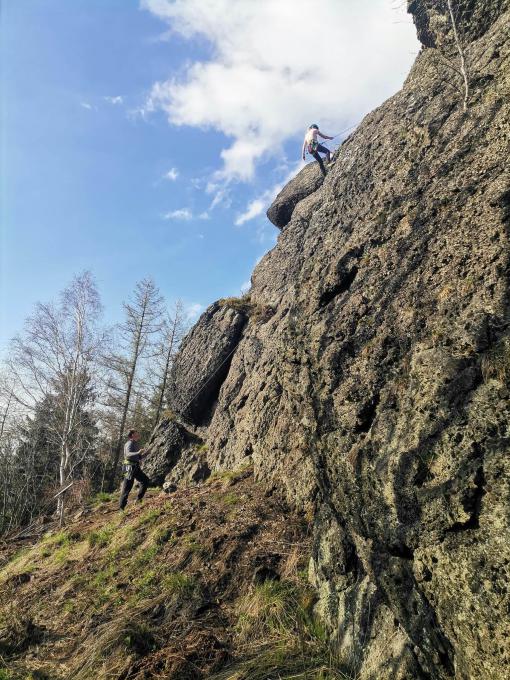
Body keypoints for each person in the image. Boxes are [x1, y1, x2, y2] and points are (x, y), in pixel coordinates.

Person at [119, 429, 150, 510]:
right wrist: (138, 452)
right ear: (132, 434)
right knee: (127, 487)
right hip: (128, 466)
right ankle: (121, 508)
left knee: (145, 480)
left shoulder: (135, 443)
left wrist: (147, 453)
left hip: (135, 466)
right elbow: (128, 455)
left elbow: (139, 457)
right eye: (136, 433)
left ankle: (139, 500)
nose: (138, 434)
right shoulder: (129, 443)